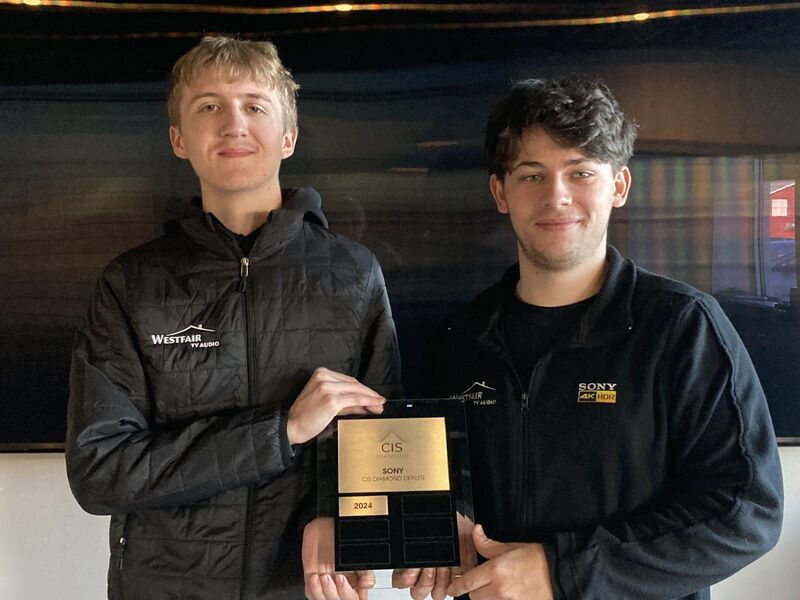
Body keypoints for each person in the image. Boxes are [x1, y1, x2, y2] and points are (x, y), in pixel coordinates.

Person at [419, 76, 784, 600]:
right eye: (531, 175)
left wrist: (562, 570)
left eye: (581, 172)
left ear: (618, 187)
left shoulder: (683, 328)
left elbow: (746, 511)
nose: (557, 196)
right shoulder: (457, 341)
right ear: (500, 193)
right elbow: (436, 484)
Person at [65, 36, 401, 600]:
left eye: (254, 105)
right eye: (209, 107)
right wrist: (281, 431)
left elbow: (383, 438)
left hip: (304, 587)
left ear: (288, 137)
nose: (233, 124)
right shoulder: (131, 283)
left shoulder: (354, 274)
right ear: (179, 139)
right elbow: (101, 472)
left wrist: (337, 518)